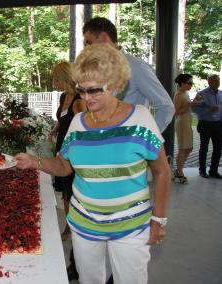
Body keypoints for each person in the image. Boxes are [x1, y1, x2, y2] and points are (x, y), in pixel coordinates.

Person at [15, 43, 171, 284]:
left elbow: (162, 172)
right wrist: (34, 161)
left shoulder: (141, 118)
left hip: (131, 226)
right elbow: (64, 166)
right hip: (84, 223)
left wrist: (159, 219)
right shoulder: (78, 123)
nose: (86, 97)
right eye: (81, 90)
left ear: (115, 84)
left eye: (94, 90)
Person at [82, 17, 174, 133]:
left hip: (128, 145)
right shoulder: (96, 68)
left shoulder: (136, 67)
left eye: (89, 43)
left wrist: (146, 139)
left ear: (104, 38)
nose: (87, 48)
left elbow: (166, 107)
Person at [48, 61, 86, 241]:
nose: (56, 83)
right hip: (61, 146)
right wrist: (55, 129)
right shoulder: (64, 97)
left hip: (73, 150)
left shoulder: (80, 101)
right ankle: (69, 226)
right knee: (64, 190)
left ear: (66, 78)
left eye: (57, 80)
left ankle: (73, 227)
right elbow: (63, 119)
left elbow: (85, 128)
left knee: (72, 191)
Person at [191, 74, 222, 179]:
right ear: (209, 82)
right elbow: (194, 109)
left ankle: (214, 171)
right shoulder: (202, 94)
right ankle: (202, 171)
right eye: (214, 81)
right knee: (204, 148)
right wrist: (208, 110)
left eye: (218, 80)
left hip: (218, 124)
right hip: (205, 124)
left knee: (218, 148)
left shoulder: (221, 94)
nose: (217, 82)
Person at [173, 74, 195, 184]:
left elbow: (187, 107)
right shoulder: (178, 95)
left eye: (192, 83)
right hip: (182, 123)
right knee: (183, 148)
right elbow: (176, 112)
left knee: (189, 148)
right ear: (182, 83)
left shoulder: (185, 94)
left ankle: (178, 169)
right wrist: (191, 104)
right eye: (189, 83)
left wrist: (193, 103)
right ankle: (179, 172)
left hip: (187, 123)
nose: (191, 85)